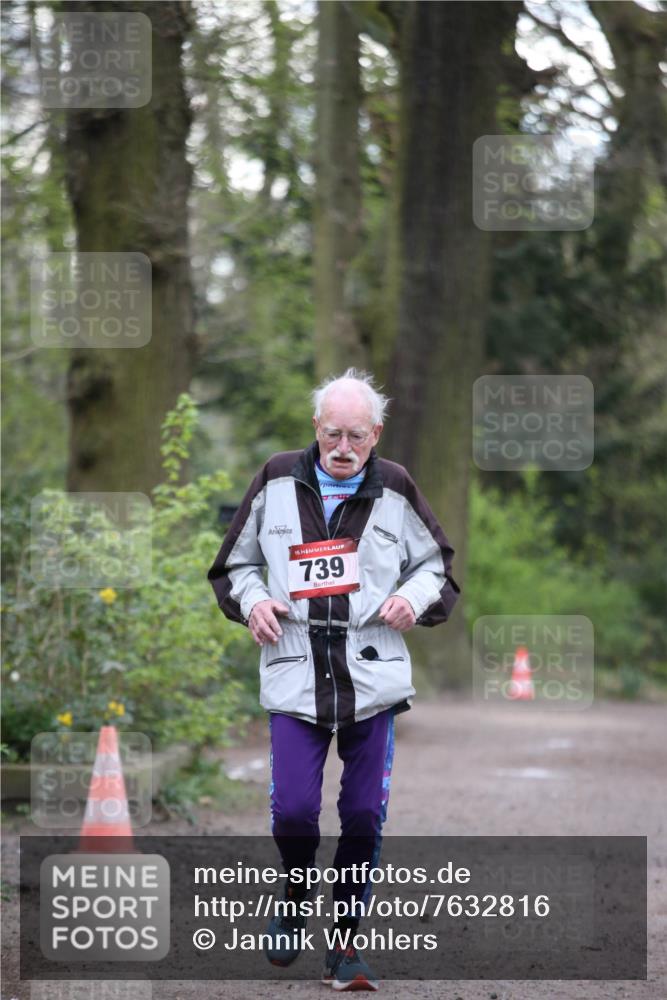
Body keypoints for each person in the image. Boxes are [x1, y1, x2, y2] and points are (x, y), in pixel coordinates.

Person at [207, 368, 460, 991]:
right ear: (315, 430)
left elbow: (437, 567)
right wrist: (255, 601)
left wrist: (411, 597)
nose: (342, 449)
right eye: (330, 436)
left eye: (355, 437)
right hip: (295, 676)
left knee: (363, 817)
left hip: (370, 678)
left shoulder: (396, 488)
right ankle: (295, 893)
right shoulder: (275, 479)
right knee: (294, 809)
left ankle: (345, 947)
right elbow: (234, 565)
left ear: (376, 434)